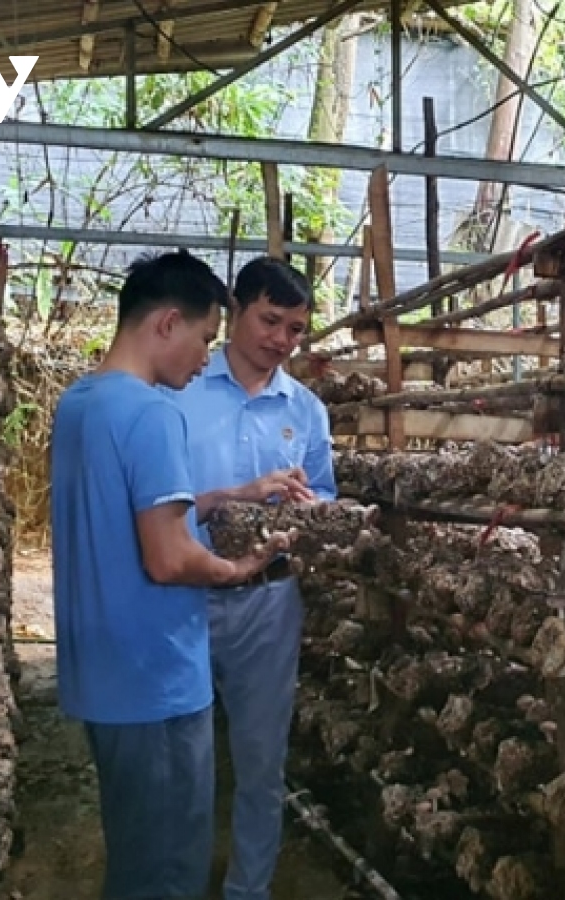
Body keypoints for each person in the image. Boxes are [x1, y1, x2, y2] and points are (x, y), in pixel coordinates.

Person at [49, 251, 286, 900]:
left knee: (134, 859)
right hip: (155, 682)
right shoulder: (154, 415)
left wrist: (232, 494)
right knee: (167, 873)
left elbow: (128, 515)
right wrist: (240, 568)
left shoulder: (81, 403)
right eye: (205, 338)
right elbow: (168, 556)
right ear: (167, 323)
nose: (206, 358)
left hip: (103, 678)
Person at [168, 255, 337, 900]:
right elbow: (158, 499)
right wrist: (236, 496)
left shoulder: (306, 410)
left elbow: (324, 494)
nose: (281, 340)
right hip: (182, 596)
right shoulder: (179, 391)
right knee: (181, 759)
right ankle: (174, 883)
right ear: (235, 310)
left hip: (270, 601)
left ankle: (248, 890)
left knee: (263, 762)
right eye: (270, 320)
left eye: (295, 330)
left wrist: (311, 513)